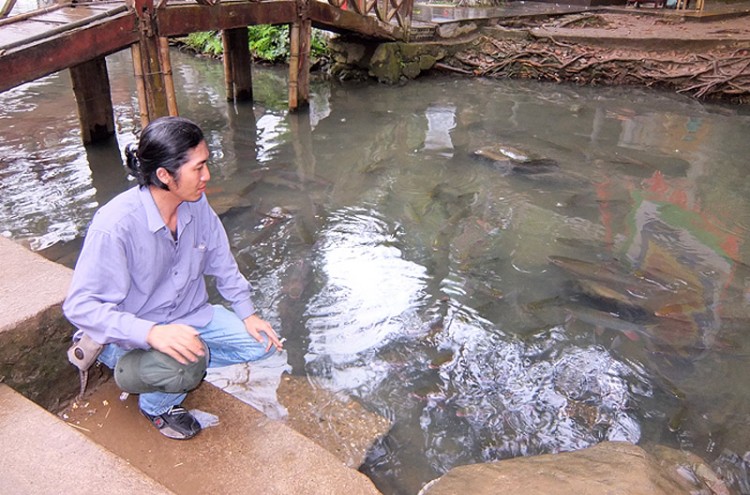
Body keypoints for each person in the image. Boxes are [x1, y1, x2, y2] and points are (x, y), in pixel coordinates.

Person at [63, 116, 283, 440]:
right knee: (190, 362)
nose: (207, 176)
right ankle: (156, 405)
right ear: (165, 175)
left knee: (264, 344)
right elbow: (79, 307)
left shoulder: (196, 204)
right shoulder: (115, 225)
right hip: (130, 336)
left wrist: (247, 313)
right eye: (198, 168)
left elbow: (221, 260)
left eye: (206, 164)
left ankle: (177, 365)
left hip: (190, 316)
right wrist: (152, 334)